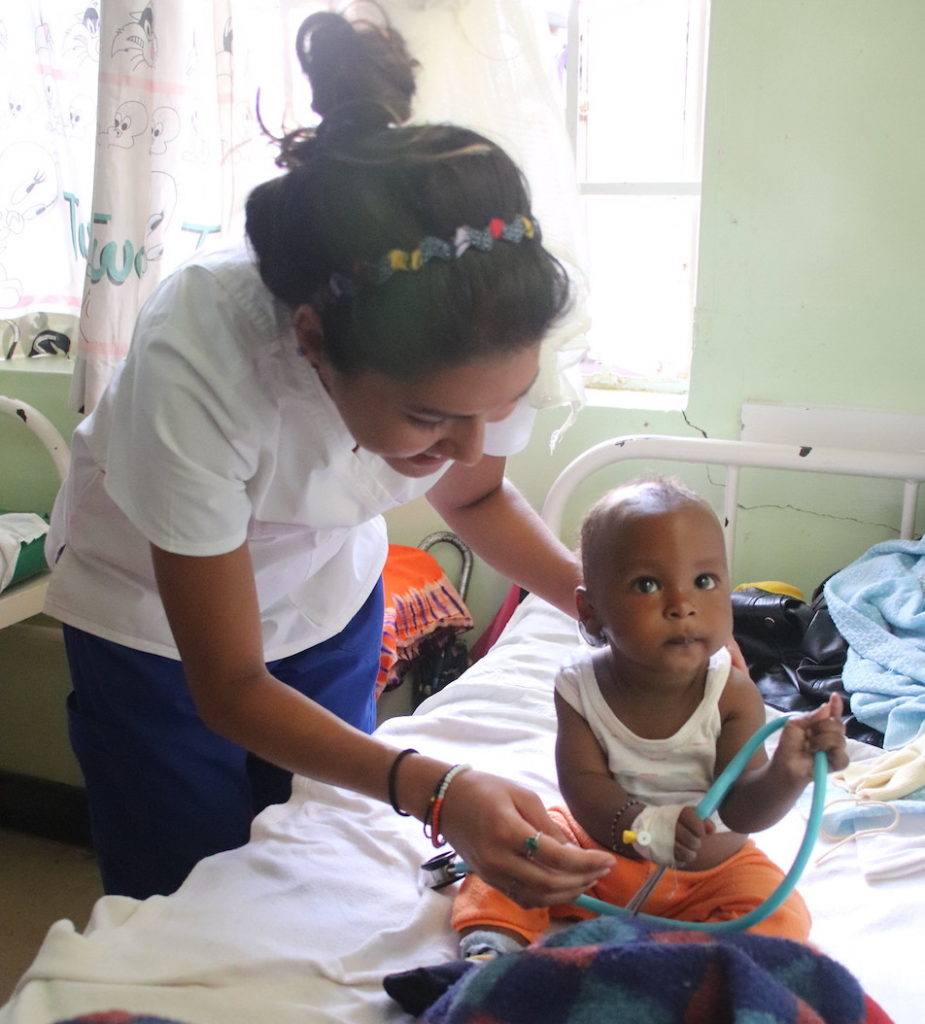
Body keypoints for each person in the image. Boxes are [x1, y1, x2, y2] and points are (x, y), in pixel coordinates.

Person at [43, 11, 615, 902]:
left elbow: (474, 500)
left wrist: (599, 607)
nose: (469, 445)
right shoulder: (202, 351)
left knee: (322, 855)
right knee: (185, 892)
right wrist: (441, 791)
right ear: (312, 343)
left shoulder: (484, 325)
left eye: (497, 410)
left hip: (325, 600)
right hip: (155, 627)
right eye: (430, 419)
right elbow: (228, 684)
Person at [452, 478, 849, 957]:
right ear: (591, 611)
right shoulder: (580, 689)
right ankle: (492, 947)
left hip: (712, 876)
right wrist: (643, 825)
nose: (682, 605)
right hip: (600, 858)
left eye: (704, 581)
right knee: (518, 853)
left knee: (781, 913)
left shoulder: (732, 695)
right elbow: (584, 788)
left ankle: (691, 967)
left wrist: (787, 773)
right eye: (647, 584)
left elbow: (742, 809)